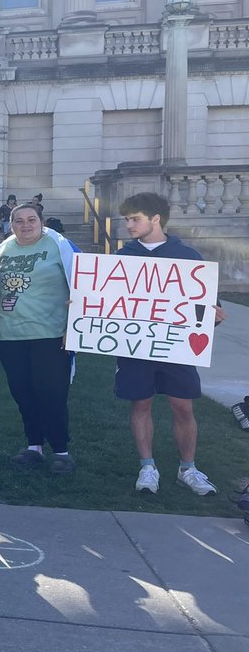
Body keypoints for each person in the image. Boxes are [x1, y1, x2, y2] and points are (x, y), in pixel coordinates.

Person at [115, 192, 227, 496]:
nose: (128, 224)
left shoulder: (189, 257)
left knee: (183, 407)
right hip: (135, 346)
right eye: (126, 219)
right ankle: (147, 467)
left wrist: (214, 316)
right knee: (140, 403)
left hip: (176, 345)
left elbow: (206, 306)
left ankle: (187, 468)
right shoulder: (122, 259)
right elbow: (106, 300)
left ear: (156, 219)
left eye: (134, 218)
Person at [0, 203, 76, 473]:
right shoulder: (0, 251)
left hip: (50, 334)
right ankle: (34, 446)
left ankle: (61, 451)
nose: (25, 225)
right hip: (9, 336)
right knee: (23, 393)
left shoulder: (60, 246)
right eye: (18, 221)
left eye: (31, 220)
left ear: (42, 221)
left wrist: (73, 327)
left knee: (51, 393)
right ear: (10, 224)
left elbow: (86, 284)